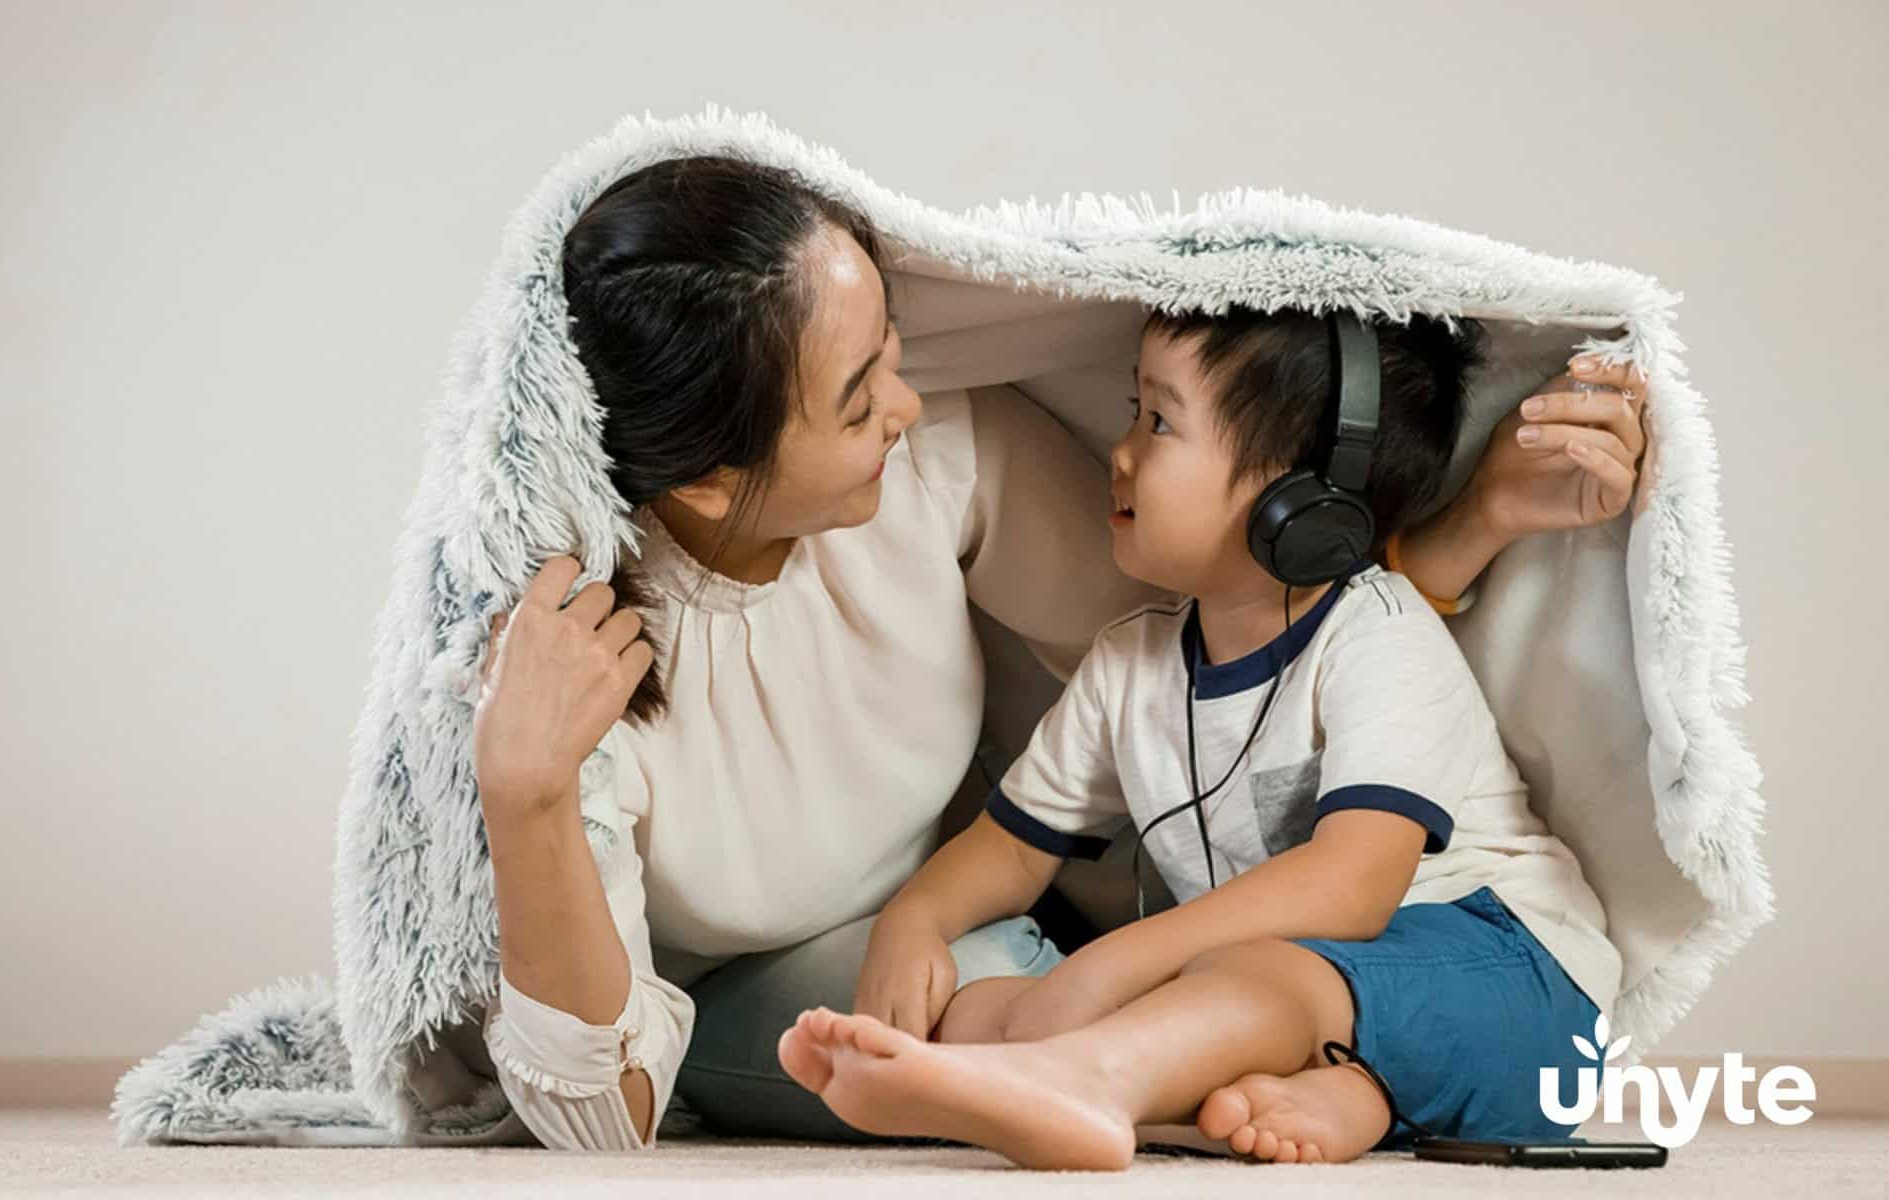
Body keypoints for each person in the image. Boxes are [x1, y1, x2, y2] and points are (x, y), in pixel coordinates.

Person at [460, 154, 1650, 1150]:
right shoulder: (583, 650)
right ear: (715, 478)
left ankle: (1107, 1078)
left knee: (1245, 987)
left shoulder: (962, 473)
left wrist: (1475, 518)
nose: (912, 403)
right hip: (1271, 976)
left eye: (895, 352)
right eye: (860, 390)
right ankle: (1241, 1092)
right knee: (1133, 1003)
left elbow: (1299, 633)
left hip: (1481, 950)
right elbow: (1019, 834)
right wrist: (527, 794)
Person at [781, 305, 1626, 1168]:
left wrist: (1109, 967)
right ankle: (1333, 1098)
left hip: (1515, 979)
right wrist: (913, 923)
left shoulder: (1380, 632)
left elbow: (1352, 889)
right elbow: (1009, 848)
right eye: (1129, 413)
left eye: (1158, 422)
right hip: (1310, 1001)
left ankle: (1088, 1081)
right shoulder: (1130, 662)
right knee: (994, 1004)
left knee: (1239, 980)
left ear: (1300, 500)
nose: (1120, 451)